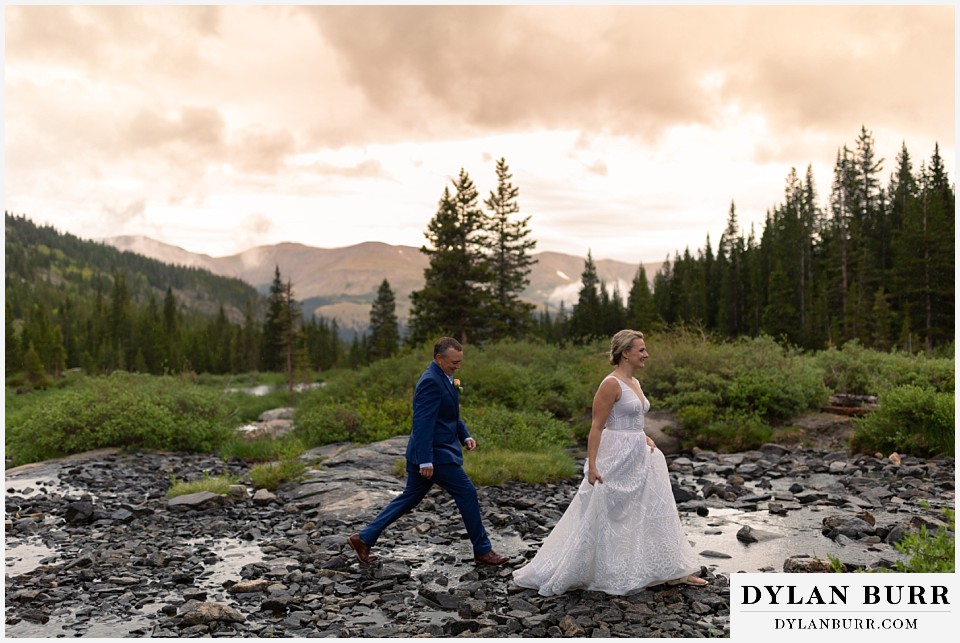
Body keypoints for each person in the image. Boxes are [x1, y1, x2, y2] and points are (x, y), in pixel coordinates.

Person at [512, 329, 706, 596]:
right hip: (614, 455)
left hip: (638, 453)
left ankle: (670, 571)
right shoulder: (610, 384)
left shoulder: (635, 382)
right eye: (641, 350)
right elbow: (597, 426)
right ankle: (607, 571)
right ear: (625, 352)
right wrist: (592, 465)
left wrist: (644, 436)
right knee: (609, 513)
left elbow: (632, 419)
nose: (646, 354)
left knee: (646, 510)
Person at [347, 337, 508, 567]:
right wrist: (425, 460)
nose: (457, 366)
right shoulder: (430, 381)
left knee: (409, 498)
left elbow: (450, 414)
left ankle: (363, 538)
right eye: (454, 362)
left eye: (459, 362)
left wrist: (466, 435)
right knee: (467, 493)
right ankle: (483, 551)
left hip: (433, 453)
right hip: (435, 455)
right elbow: (422, 423)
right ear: (438, 358)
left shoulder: (446, 377)